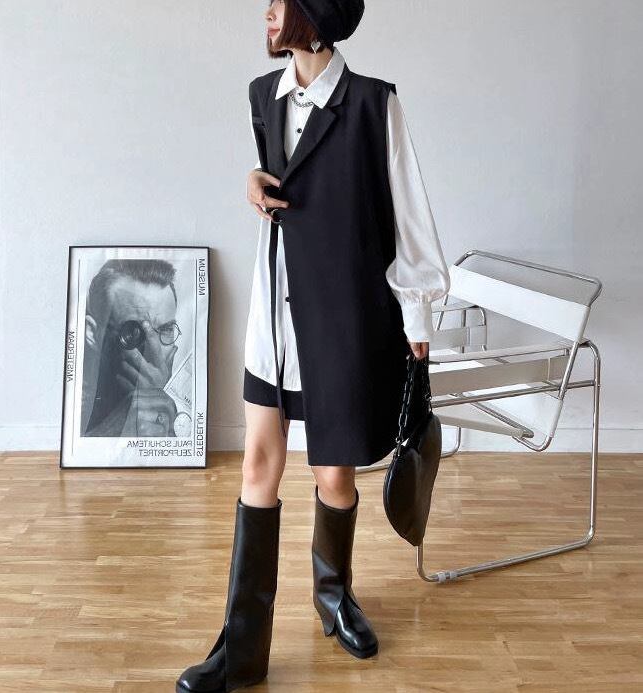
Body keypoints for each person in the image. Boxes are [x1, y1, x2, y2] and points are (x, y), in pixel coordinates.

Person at [176, 1, 450, 691]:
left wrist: (417, 328)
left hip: (343, 316)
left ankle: (334, 596)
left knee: (333, 476)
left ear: (314, 13)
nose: (267, 12)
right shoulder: (261, 96)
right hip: (273, 309)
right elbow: (286, 173)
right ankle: (240, 650)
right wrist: (253, 179)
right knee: (257, 465)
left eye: (280, 1)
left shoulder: (373, 104)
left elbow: (411, 217)